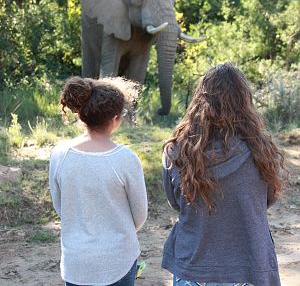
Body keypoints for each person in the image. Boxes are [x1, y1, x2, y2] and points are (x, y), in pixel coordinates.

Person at [161, 63, 287, 286]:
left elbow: (175, 202)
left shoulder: (177, 151)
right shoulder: (262, 150)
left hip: (193, 266)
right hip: (249, 267)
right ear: (244, 101)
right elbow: (268, 199)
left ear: (200, 100)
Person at [49, 77, 148, 286]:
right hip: (118, 260)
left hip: (76, 263)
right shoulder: (126, 159)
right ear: (115, 119)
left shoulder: (59, 154)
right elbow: (139, 216)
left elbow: (61, 206)